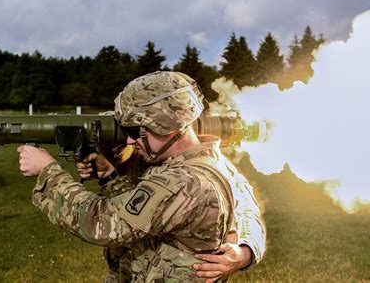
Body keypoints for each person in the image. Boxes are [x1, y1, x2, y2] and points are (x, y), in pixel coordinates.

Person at [17, 71, 266, 282]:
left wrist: (48, 171)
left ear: (166, 127)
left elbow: (103, 224)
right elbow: (246, 208)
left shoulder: (184, 182)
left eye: (136, 131)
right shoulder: (211, 162)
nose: (129, 139)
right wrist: (109, 175)